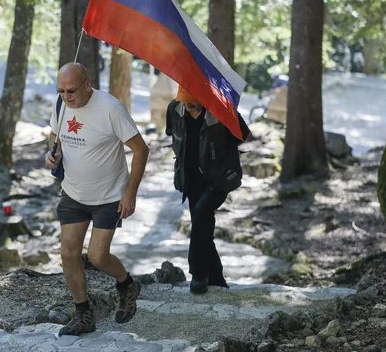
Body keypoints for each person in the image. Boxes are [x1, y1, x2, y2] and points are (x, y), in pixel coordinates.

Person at [45, 62, 149, 336]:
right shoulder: (61, 104)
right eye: (61, 91)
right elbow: (55, 135)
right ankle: (84, 315)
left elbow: (141, 150)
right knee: (68, 254)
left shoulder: (111, 109)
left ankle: (127, 284)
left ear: (87, 84)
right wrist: (52, 152)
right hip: (73, 192)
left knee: (98, 257)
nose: (66, 96)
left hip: (108, 197)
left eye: (71, 90)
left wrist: (130, 193)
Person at [165, 86, 250, 294]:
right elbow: (172, 133)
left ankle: (198, 273)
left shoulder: (219, 111)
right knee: (202, 227)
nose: (187, 106)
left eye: (192, 103)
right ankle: (217, 279)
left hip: (218, 179)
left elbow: (243, 135)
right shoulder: (175, 109)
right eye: (184, 102)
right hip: (191, 179)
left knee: (202, 214)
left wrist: (230, 112)